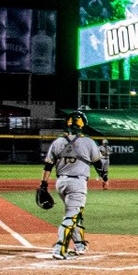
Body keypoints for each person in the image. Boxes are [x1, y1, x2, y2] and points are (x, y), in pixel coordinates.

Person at [40, 111, 104, 260]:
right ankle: (59, 249)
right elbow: (98, 163)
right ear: (83, 125)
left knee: (75, 214)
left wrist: (43, 185)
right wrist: (105, 177)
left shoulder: (58, 142)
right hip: (77, 183)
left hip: (61, 183)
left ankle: (80, 244)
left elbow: (48, 166)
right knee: (72, 215)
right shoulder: (88, 142)